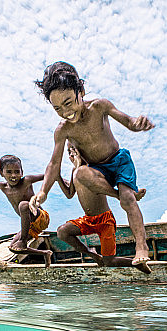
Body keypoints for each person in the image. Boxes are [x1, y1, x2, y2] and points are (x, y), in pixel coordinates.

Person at [31, 61, 152, 266]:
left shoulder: (100, 106)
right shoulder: (63, 130)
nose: (65, 112)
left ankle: (142, 246)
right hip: (98, 171)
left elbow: (128, 121)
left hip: (118, 161)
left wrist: (137, 124)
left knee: (128, 200)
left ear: (81, 91)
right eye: (57, 108)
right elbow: (54, 163)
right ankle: (122, 195)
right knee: (80, 174)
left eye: (68, 103)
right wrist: (43, 192)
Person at [53, 142, 152, 274]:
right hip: (88, 220)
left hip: (105, 221)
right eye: (69, 152)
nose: (71, 155)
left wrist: (126, 194)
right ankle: (92, 254)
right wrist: (57, 176)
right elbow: (69, 194)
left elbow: (103, 184)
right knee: (62, 232)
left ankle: (136, 264)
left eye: (74, 151)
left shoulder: (92, 170)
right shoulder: (74, 171)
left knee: (109, 262)